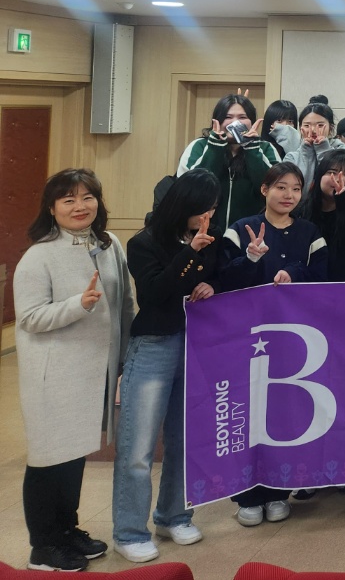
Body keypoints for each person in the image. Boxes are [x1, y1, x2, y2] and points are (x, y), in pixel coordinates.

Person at [15, 169, 133, 573]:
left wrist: (125, 354)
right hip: (55, 376)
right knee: (49, 459)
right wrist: (76, 305)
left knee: (75, 454)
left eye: (87, 197)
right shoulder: (39, 255)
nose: (79, 206)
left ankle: (67, 531)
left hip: (94, 372)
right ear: (52, 209)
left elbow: (124, 303)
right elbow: (29, 317)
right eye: (68, 200)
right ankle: (43, 547)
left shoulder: (109, 244)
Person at [112, 170, 221, 562]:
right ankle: (128, 532)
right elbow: (156, 292)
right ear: (183, 205)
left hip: (194, 346)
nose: (208, 215)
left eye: (212, 208)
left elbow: (217, 277)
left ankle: (173, 515)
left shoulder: (209, 237)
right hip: (153, 346)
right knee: (138, 447)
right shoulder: (142, 242)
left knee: (183, 441)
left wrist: (212, 285)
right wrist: (190, 252)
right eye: (203, 208)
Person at [218, 162, 327, 526]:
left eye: (295, 188)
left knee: (283, 413)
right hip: (244, 340)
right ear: (265, 189)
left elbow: (323, 277)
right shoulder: (239, 230)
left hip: (292, 340)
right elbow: (223, 279)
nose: (288, 195)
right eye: (281, 187)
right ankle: (247, 495)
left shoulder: (310, 232)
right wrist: (251, 257)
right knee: (246, 414)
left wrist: (294, 273)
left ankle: (279, 491)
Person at [176, 92, 280, 234]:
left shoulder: (266, 149)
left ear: (252, 121)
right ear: (217, 120)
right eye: (228, 117)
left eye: (242, 117)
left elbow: (272, 190)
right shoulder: (199, 146)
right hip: (203, 233)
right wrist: (215, 147)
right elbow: (189, 190)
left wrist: (252, 149)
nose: (234, 123)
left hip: (250, 235)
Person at [298, 151, 345, 282]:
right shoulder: (302, 211)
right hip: (310, 285)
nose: (339, 178)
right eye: (331, 172)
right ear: (319, 176)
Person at [282, 96, 345, 185]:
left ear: (331, 127)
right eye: (307, 126)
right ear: (300, 128)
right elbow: (296, 187)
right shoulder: (292, 158)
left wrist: (323, 148)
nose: (313, 130)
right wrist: (307, 152)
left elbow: (335, 183)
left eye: (320, 125)